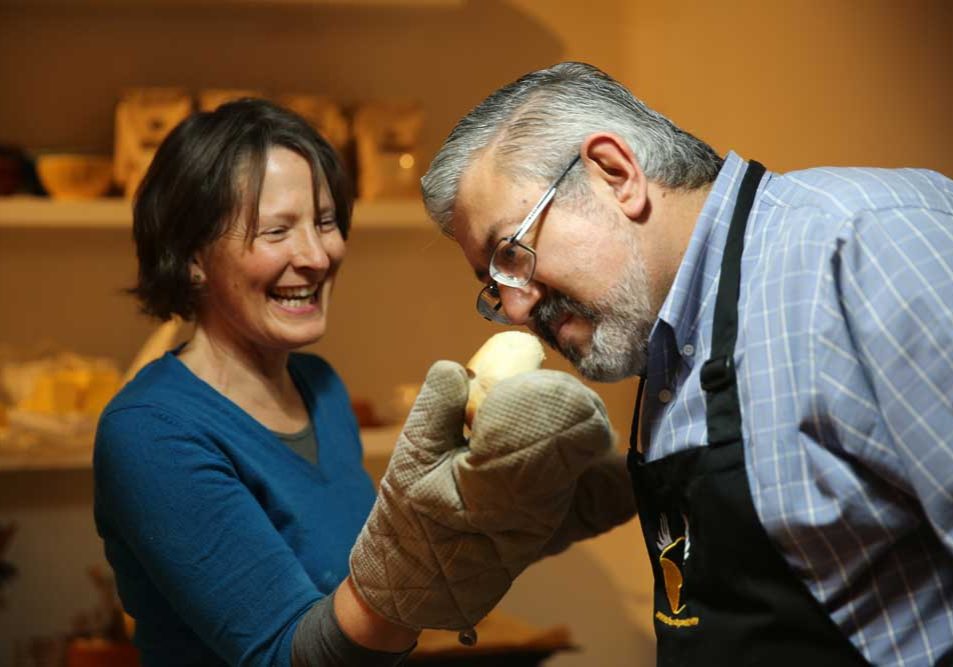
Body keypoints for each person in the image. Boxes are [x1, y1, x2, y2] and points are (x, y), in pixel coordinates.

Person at [420, 61, 953, 666]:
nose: (515, 307)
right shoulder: (665, 339)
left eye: (510, 254)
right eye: (493, 283)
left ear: (615, 174)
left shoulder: (868, 243)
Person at [94, 98, 630, 667]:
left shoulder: (318, 388)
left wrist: (529, 505)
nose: (317, 254)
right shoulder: (152, 432)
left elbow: (362, 577)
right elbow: (290, 654)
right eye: (276, 230)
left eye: (325, 222)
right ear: (191, 257)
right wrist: (416, 551)